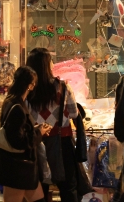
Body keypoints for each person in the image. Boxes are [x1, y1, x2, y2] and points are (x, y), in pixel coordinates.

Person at [26, 48, 83, 202]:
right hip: (62, 143)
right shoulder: (62, 87)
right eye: (50, 61)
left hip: (35, 143)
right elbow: (74, 114)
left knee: (39, 187)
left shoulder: (27, 90)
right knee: (67, 187)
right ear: (46, 65)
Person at [0, 66, 49, 202]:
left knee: (39, 199)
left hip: (22, 169)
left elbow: (18, 132)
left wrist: (35, 129)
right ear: (30, 85)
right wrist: (39, 132)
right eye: (33, 83)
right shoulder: (17, 106)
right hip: (18, 169)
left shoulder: (12, 102)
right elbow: (19, 141)